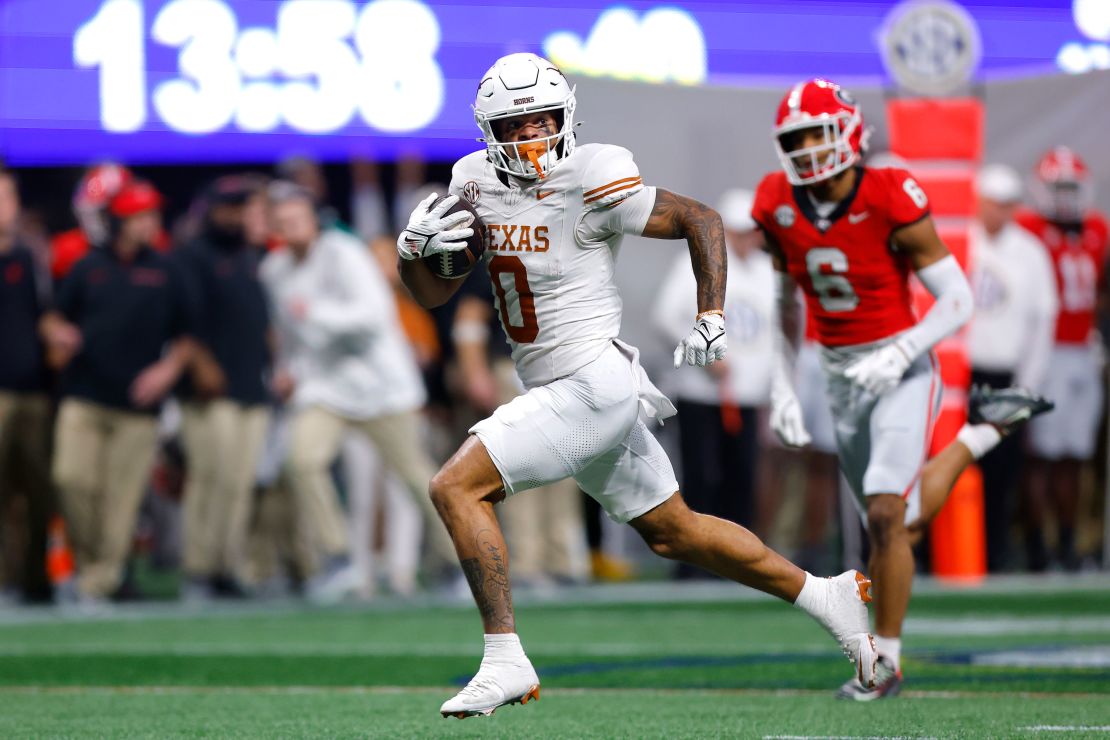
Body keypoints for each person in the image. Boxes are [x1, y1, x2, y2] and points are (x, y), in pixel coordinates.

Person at [397, 53, 879, 720]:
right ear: (490, 132)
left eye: (543, 119)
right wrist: (412, 255)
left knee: (455, 485)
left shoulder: (591, 172)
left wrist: (711, 314)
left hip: (592, 385)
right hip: (567, 388)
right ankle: (826, 597)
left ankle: (504, 657)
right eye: (516, 124)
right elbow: (433, 294)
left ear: (566, 118)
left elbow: (701, 220)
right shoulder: (473, 181)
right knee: (675, 532)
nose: (533, 135)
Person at [756, 78, 1054, 701]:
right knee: (899, 522)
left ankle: (883, 662)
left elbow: (957, 298)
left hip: (901, 365)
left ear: (850, 133)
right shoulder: (776, 200)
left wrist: (898, 352)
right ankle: (983, 431)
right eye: (797, 139)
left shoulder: (890, 192)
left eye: (819, 134)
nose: (809, 150)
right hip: (838, 374)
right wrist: (782, 385)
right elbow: (788, 301)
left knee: (887, 513)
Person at [260, 182, 455, 602]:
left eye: (295, 216)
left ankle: (460, 561)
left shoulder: (345, 253)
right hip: (325, 387)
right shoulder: (273, 271)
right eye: (280, 220)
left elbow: (372, 316)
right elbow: (288, 337)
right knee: (302, 459)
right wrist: (286, 370)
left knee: (415, 477)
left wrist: (315, 315)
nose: (288, 225)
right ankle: (338, 557)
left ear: (313, 218)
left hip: (380, 386)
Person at [41, 180, 193, 607]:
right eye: (140, 215)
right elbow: (53, 317)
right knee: (70, 480)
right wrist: (60, 333)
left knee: (121, 501)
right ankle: (93, 564)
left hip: (137, 406)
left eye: (152, 214)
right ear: (120, 221)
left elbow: (186, 335)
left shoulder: (166, 270)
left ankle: (96, 582)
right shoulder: (88, 266)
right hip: (84, 396)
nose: (150, 223)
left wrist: (167, 370)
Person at [654, 188, 775, 570]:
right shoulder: (697, 260)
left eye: (751, 231)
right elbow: (666, 317)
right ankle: (694, 562)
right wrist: (705, 354)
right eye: (739, 231)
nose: (746, 239)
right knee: (701, 478)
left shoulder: (767, 271)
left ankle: (737, 562)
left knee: (742, 479)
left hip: (747, 396)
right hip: (701, 396)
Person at [174, 175, 273, 600]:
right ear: (212, 210)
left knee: (237, 482)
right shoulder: (191, 255)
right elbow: (182, 322)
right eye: (231, 208)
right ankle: (197, 568)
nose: (238, 216)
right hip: (210, 391)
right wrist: (201, 364)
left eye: (244, 208)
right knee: (209, 478)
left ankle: (225, 567)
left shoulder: (251, 256)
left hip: (251, 385)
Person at [1016, 147, 1109, 571]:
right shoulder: (1029, 228)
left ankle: (1071, 545)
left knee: (1077, 454)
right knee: (1043, 455)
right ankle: (1039, 548)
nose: (1067, 197)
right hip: (1045, 351)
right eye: (1060, 188)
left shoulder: (1097, 230)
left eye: (1072, 187)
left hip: (1082, 351)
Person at [968, 164, 1059, 572]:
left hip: (1005, 377)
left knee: (1002, 472)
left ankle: (996, 551)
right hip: (961, 376)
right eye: (993, 204)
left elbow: (1043, 321)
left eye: (1006, 206)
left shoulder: (1030, 252)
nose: (998, 213)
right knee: (955, 468)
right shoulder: (962, 241)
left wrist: (1027, 386)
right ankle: (951, 554)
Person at [0, 168, 54, 602]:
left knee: (39, 490)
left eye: (8, 198)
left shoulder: (30, 259)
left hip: (34, 391)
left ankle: (38, 580)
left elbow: (46, 318)